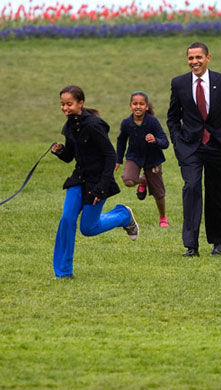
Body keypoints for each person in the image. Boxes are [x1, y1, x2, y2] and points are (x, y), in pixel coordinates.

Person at [51, 85, 139, 279]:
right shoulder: (70, 126)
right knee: (67, 220)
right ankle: (64, 272)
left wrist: (101, 188)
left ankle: (123, 215)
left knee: (88, 229)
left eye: (69, 104)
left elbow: (110, 156)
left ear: (80, 103)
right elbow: (69, 157)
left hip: (97, 182)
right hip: (79, 180)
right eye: (62, 104)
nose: (65, 108)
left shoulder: (94, 125)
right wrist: (59, 151)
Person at [166, 42, 221, 257]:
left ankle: (218, 243)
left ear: (208, 58)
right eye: (191, 58)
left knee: (216, 193)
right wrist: (177, 141)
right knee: (191, 188)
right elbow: (172, 117)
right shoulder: (179, 83)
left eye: (198, 57)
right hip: (190, 147)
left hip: (218, 147)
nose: (194, 62)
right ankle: (191, 246)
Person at [115, 91, 170, 227]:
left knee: (158, 193)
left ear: (146, 106)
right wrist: (118, 160)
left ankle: (162, 217)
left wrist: (155, 140)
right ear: (130, 106)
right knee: (128, 180)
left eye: (141, 104)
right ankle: (143, 180)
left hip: (153, 158)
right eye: (135, 104)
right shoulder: (126, 123)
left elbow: (165, 142)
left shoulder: (152, 122)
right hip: (134, 156)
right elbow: (121, 141)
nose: (138, 106)